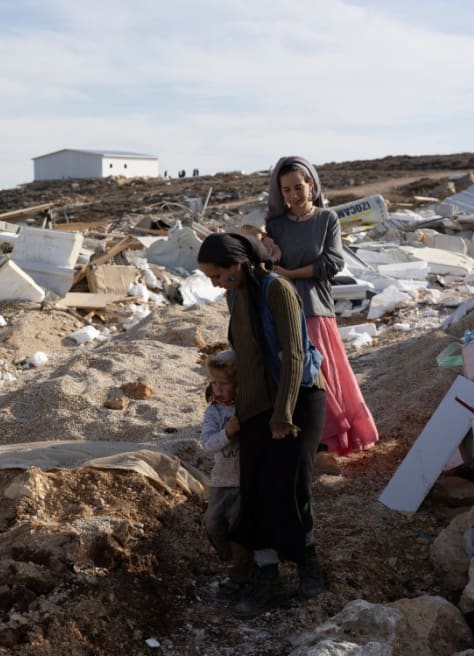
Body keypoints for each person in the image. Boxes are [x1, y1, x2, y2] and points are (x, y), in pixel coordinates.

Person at [197, 232, 327, 619]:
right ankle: (266, 579)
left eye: (217, 276)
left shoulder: (278, 290)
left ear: (236, 265)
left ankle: (310, 570)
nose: (214, 284)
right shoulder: (235, 295)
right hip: (258, 405)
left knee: (288, 489)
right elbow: (246, 356)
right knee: (254, 493)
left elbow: (293, 356)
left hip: (298, 401)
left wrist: (283, 415)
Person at [264, 156, 379, 460]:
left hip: (315, 306)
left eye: (298, 187)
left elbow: (332, 263)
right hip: (283, 307)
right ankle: (300, 437)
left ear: (311, 185)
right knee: (290, 372)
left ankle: (330, 438)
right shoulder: (274, 225)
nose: (292, 195)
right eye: (285, 190)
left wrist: (291, 273)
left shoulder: (327, 219)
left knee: (322, 373)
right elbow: (270, 263)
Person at [198, 349, 251, 600]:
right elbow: (207, 444)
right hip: (221, 480)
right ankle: (233, 559)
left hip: (244, 483)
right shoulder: (214, 413)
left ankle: (241, 571)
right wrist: (228, 433)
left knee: (240, 528)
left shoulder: (247, 408)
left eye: (225, 384)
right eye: (214, 383)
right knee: (214, 522)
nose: (218, 389)